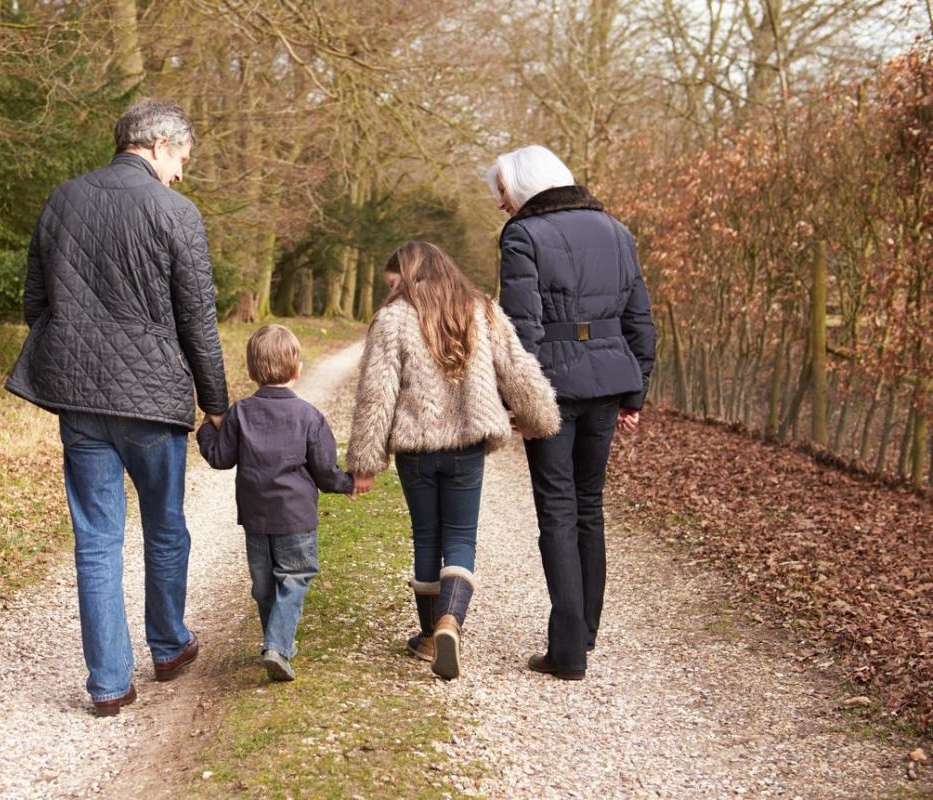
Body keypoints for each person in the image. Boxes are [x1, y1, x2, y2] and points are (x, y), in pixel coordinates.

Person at [6, 99, 228, 715]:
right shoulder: (176, 212)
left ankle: (108, 684)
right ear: (158, 146)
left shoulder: (63, 199)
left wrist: (73, 356)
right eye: (182, 158)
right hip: (152, 403)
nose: (181, 172)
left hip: (78, 400)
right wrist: (215, 403)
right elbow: (198, 323)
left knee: (96, 540)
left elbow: (34, 300)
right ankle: (168, 644)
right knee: (164, 527)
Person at [345, 241, 559, 680]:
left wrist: (365, 461)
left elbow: (376, 394)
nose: (394, 292)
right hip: (466, 448)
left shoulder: (392, 320)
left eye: (396, 282)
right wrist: (539, 418)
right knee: (461, 538)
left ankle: (428, 637)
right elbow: (517, 367)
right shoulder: (481, 309)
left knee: (426, 538)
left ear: (408, 274)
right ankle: (451, 622)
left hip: (416, 450)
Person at [487, 144, 656, 681]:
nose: (500, 204)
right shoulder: (616, 230)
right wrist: (635, 394)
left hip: (555, 389)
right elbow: (640, 319)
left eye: (502, 192)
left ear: (525, 185)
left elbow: (522, 330)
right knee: (589, 507)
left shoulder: (522, 236)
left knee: (558, 511)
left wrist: (522, 399)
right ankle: (583, 631)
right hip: (608, 383)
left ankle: (567, 653)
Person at [196, 325, 355, 681]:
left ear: (251, 372)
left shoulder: (239, 413)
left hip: (256, 518)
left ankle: (275, 640)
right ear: (297, 369)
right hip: (295, 519)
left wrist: (208, 427)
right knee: (294, 577)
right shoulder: (310, 417)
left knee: (264, 585)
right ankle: (277, 646)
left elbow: (220, 457)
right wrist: (348, 483)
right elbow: (325, 471)